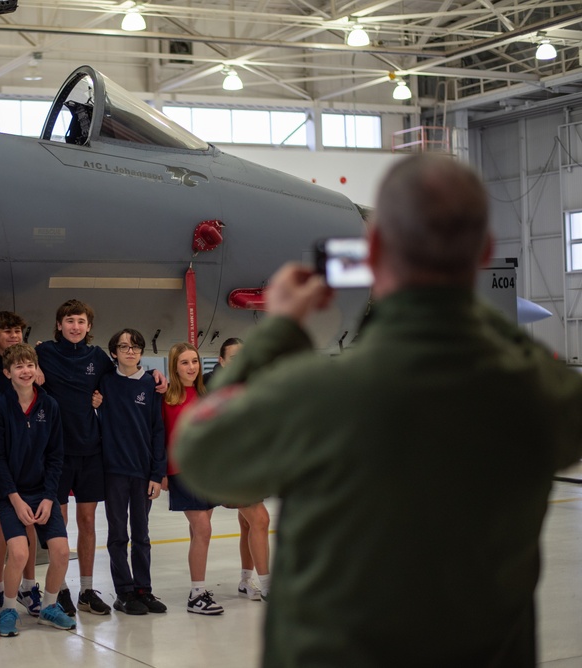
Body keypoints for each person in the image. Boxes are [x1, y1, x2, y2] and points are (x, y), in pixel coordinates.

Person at [175, 153, 582, 667]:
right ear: (483, 251)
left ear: (375, 252)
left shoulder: (315, 392)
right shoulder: (538, 394)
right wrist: (459, 297)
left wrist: (280, 329)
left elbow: (206, 455)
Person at [0, 343, 76, 636]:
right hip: (10, 494)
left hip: (43, 493)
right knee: (19, 553)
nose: (26, 371)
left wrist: (50, 497)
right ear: (7, 372)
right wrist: (14, 498)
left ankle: (49, 607)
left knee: (61, 552)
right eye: (19, 367)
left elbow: (55, 456)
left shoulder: (49, 405)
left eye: (30, 366)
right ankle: (9, 608)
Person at [34, 299, 115, 616]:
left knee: (87, 520)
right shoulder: (43, 354)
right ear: (58, 325)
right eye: (69, 320)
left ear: (89, 326)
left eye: (81, 321)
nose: (75, 326)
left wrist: (155, 379)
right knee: (60, 522)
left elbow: (118, 383)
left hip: (90, 448)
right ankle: (61, 588)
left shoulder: (97, 358)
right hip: (57, 451)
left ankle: (86, 589)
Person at [98, 328, 168, 615]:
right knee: (117, 534)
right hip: (114, 470)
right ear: (113, 352)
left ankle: (144, 589)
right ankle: (124, 591)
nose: (131, 351)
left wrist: (157, 473)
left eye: (136, 347)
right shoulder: (104, 382)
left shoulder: (151, 385)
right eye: (124, 347)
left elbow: (157, 431)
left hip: (142, 472)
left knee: (142, 534)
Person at [0, 310, 41, 617]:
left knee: (27, 520)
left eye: (17, 330)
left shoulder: (34, 369)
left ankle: (29, 586)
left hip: (28, 461)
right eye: (6, 331)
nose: (13, 335)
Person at [205, 338, 272, 601]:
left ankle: (246, 581)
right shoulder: (210, 384)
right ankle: (267, 586)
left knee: (247, 524)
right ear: (221, 361)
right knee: (260, 519)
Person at [162, 342, 223, 615]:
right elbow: (159, 436)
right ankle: (196, 594)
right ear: (174, 367)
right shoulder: (164, 396)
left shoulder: (204, 393)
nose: (191, 367)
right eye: (185, 362)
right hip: (181, 471)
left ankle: (198, 587)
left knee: (200, 531)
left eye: (195, 361)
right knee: (203, 530)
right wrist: (160, 471)